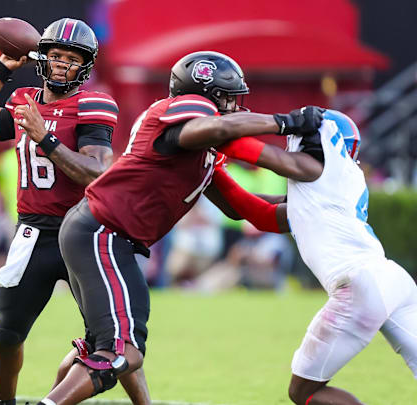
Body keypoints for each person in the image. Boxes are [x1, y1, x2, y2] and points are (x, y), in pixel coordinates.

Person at [41, 50, 324, 405]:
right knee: (119, 352)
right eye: (228, 98)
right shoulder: (183, 111)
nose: (236, 107)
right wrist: (284, 122)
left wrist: (316, 210)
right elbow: (219, 126)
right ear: (204, 92)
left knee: (115, 348)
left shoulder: (199, 153)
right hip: (103, 232)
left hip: (102, 233)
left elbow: (252, 211)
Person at [0, 17, 151, 405]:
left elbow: (96, 170)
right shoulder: (23, 100)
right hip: (32, 233)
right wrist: (1, 69)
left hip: (85, 233)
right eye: (56, 55)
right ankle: (3, 402)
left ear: (86, 66)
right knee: (6, 333)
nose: (62, 64)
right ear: (41, 58)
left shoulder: (93, 103)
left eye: (72, 58)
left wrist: (45, 136)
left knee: (114, 338)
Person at [210, 109, 417, 405]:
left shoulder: (314, 168)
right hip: (393, 281)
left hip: (359, 286)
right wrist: (212, 175)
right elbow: (256, 213)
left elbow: (248, 150)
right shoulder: (327, 186)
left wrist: (200, 134)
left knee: (303, 392)